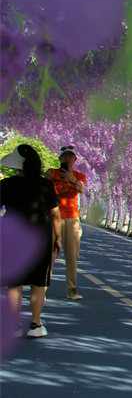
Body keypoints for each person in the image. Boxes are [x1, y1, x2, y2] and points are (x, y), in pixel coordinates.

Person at [0, 144, 62, 337]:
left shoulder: (5, 184)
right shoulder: (45, 185)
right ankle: (35, 324)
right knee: (38, 282)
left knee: (14, 283)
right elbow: (55, 214)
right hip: (40, 237)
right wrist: (57, 238)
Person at [45, 144, 87, 300]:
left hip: (71, 218)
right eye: (64, 156)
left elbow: (81, 189)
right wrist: (45, 180)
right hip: (53, 217)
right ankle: (43, 286)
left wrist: (73, 180)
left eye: (70, 156)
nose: (67, 159)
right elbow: (42, 190)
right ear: (60, 158)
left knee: (72, 255)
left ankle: (72, 289)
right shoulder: (51, 173)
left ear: (75, 159)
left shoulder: (79, 175)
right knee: (49, 253)